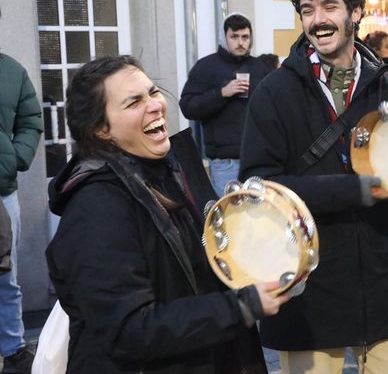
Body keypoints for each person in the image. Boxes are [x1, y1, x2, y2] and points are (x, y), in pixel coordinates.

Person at [238, 0, 388, 374]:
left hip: (380, 282)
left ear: (356, 11)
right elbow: (258, 186)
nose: (318, 20)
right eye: (308, 10)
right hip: (310, 286)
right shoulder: (275, 92)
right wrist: (354, 190)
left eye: (329, 6)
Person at [45, 55, 289, 374]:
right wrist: (241, 306)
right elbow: (130, 329)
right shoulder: (95, 207)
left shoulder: (170, 169)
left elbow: (194, 271)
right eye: (134, 102)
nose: (155, 105)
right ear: (101, 129)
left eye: (153, 91)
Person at [179, 12, 274, 197]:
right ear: (224, 38)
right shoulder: (206, 67)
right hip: (225, 162)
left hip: (259, 158)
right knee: (230, 213)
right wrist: (221, 93)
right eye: (234, 37)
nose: (240, 42)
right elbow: (188, 107)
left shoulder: (260, 68)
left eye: (245, 37)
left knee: (260, 213)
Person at [0, 52, 43, 374]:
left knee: (5, 276)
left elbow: (31, 120)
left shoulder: (11, 70)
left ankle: (13, 349)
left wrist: (13, 159)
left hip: (2, 192)